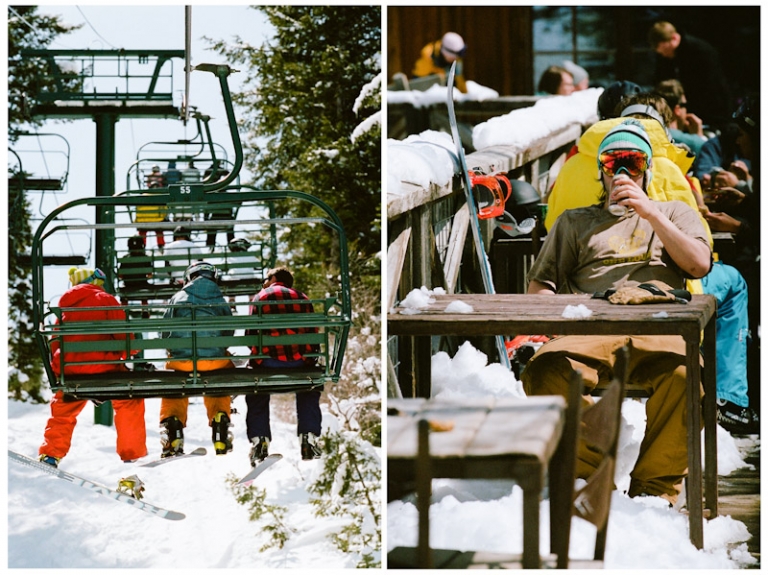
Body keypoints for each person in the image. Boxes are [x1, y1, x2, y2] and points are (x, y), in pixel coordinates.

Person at [523, 119, 713, 506]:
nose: (623, 173)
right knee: (544, 373)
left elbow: (698, 265)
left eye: (634, 162)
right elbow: (540, 287)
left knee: (684, 377)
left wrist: (650, 214)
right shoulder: (575, 222)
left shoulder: (674, 212)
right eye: (613, 163)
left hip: (657, 321)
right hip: (593, 324)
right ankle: (589, 476)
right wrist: (553, 319)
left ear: (648, 169)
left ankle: (653, 492)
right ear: (602, 171)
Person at [38, 267, 147, 466]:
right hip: (104, 368)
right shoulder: (105, 299)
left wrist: (61, 368)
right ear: (93, 281)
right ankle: (131, 453)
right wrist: (123, 354)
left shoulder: (63, 307)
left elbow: (54, 342)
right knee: (129, 400)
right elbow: (125, 339)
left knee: (63, 408)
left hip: (70, 369)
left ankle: (51, 454)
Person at [246, 266, 322, 465]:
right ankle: (308, 437)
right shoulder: (303, 298)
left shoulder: (260, 297)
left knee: (256, 390)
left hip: (268, 361)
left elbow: (251, 336)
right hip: (299, 362)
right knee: (309, 386)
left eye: (266, 278)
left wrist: (259, 354)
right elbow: (312, 332)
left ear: (273, 278)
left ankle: (259, 440)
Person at [159, 262, 235, 457]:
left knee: (172, 383)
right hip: (214, 362)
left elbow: (164, 332)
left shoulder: (177, 298)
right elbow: (229, 331)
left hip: (181, 363)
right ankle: (220, 425)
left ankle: (173, 429)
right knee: (220, 378)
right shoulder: (219, 299)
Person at [648, 21, 731, 129]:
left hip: (711, 111)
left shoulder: (701, 52)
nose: (663, 54)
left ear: (673, 38)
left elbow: (710, 86)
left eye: (665, 50)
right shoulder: (665, 55)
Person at [655, 79, 707, 156]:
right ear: (677, 110)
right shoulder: (692, 142)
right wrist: (699, 137)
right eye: (685, 105)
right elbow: (707, 151)